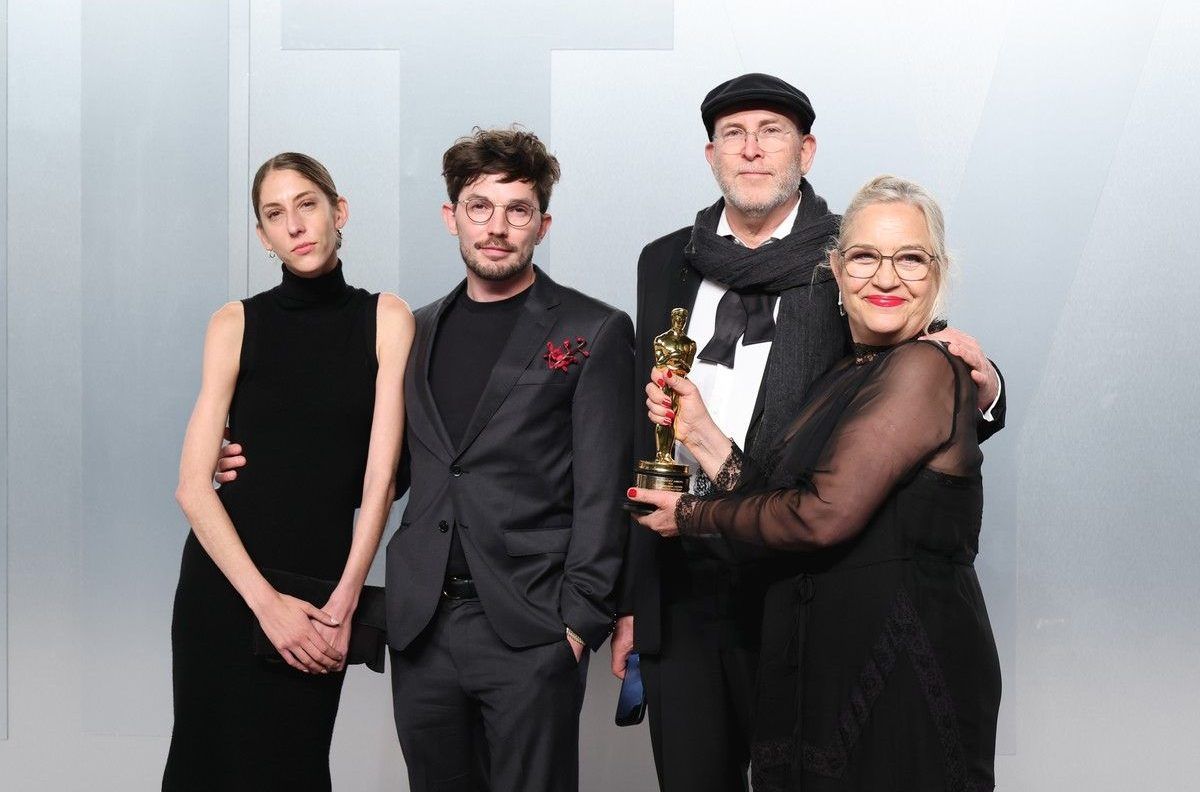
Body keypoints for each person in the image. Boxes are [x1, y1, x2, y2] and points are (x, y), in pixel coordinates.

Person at [611, 73, 1006, 792]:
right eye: (734, 134)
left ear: (808, 151)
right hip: (682, 582)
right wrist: (635, 598)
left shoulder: (848, 252)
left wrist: (985, 384)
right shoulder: (663, 259)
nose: (753, 149)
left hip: (797, 585)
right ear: (711, 156)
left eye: (773, 133)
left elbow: (915, 348)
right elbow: (642, 436)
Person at [223, 128, 633, 791]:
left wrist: (577, 628)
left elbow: (603, 488)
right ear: (452, 218)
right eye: (479, 207)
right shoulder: (412, 330)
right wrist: (245, 454)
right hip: (422, 630)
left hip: (532, 629)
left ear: (542, 223)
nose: (496, 227)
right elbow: (373, 469)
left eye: (517, 210)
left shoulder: (592, 330)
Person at [165, 153, 414, 790]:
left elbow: (379, 480)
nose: (296, 225)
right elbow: (193, 487)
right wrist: (265, 605)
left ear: (340, 211)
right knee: (205, 768)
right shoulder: (233, 323)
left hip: (321, 591)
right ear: (263, 236)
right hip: (226, 588)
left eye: (307, 204)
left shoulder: (385, 318)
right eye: (275, 214)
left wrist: (347, 595)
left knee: (295, 770)